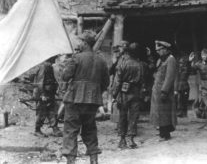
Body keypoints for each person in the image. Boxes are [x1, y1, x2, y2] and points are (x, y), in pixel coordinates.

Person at [61, 30, 109, 164]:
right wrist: (94, 91)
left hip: (74, 99)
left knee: (71, 129)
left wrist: (67, 63)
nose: (78, 43)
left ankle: (71, 160)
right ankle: (94, 159)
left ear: (85, 43)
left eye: (80, 41)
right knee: (90, 129)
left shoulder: (76, 57)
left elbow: (65, 76)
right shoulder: (101, 60)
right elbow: (106, 83)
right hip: (92, 100)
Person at [112, 42, 144, 149]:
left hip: (123, 92)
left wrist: (114, 94)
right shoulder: (140, 64)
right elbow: (142, 80)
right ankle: (131, 139)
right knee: (133, 116)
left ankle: (122, 140)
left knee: (122, 115)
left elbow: (117, 81)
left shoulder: (123, 64)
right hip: (135, 92)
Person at [150, 40, 177, 141]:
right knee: (160, 113)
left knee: (164, 113)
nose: (158, 52)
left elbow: (169, 77)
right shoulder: (162, 60)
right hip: (157, 90)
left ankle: (165, 134)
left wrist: (164, 91)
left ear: (165, 49)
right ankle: (163, 133)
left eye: (160, 50)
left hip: (164, 91)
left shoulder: (171, 59)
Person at [29, 56, 63, 138]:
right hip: (44, 92)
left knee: (52, 110)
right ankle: (37, 130)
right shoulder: (44, 66)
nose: (55, 58)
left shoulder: (49, 66)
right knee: (42, 111)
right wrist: (42, 94)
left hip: (50, 92)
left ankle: (55, 128)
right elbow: (40, 82)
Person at [189, 48, 207, 126]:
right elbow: (192, 70)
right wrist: (191, 61)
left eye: (205, 55)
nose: (203, 57)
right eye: (202, 55)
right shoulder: (199, 64)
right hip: (205, 88)